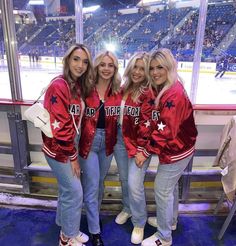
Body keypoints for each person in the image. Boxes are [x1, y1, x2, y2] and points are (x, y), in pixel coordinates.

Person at [142, 48, 198, 246]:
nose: (155, 72)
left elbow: (166, 131)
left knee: (162, 190)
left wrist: (146, 151)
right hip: (180, 148)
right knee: (170, 189)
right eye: (152, 68)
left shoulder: (173, 94)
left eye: (160, 68)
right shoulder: (167, 88)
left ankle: (164, 237)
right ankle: (170, 221)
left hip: (177, 150)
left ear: (170, 68)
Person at [42, 44, 94, 246]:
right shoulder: (59, 85)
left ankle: (65, 225)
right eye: (76, 59)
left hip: (66, 147)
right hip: (58, 149)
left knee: (66, 190)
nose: (80, 65)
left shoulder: (75, 85)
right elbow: (61, 127)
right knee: (74, 191)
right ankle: (66, 238)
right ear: (67, 60)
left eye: (85, 61)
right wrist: (73, 158)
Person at [79, 51, 121, 246]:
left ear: (115, 69)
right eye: (102, 64)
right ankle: (95, 231)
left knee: (100, 183)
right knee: (93, 184)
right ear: (96, 67)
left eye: (110, 65)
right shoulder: (85, 88)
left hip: (108, 143)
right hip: (88, 141)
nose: (106, 68)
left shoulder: (119, 91)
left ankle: (92, 217)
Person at [115, 52, 154, 245]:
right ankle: (128, 208)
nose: (137, 72)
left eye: (142, 68)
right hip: (120, 141)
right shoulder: (123, 88)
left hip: (139, 145)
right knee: (124, 179)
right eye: (135, 67)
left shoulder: (148, 93)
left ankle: (139, 222)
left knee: (134, 185)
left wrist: (142, 149)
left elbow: (148, 123)